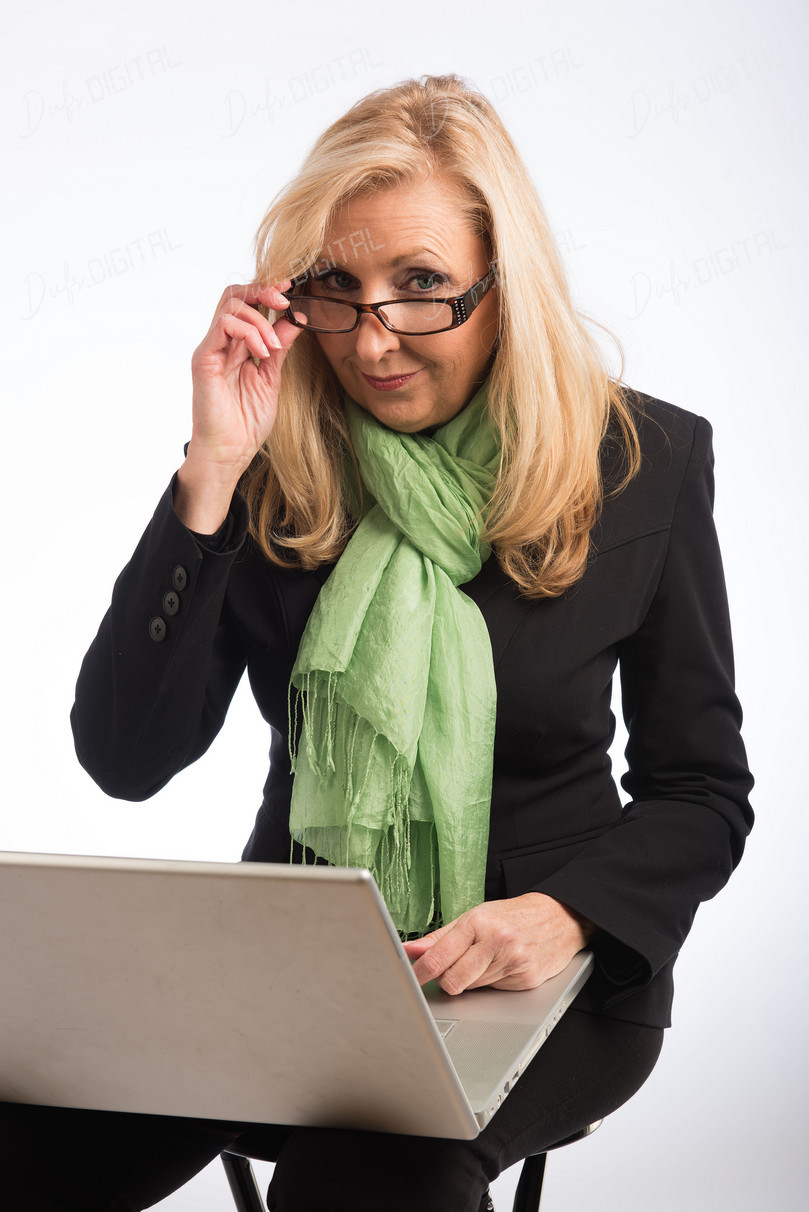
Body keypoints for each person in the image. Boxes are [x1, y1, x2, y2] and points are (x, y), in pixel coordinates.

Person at [4, 75, 753, 1211]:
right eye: (335, 291)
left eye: (420, 288)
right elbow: (125, 757)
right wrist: (208, 475)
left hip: (547, 973)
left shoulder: (638, 460)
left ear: (506, 287)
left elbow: (698, 787)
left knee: (358, 1178)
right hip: (293, 966)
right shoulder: (274, 456)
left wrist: (564, 918)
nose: (372, 339)